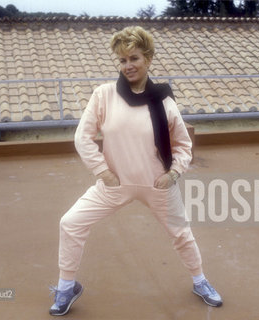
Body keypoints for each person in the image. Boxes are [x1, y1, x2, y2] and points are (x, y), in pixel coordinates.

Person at [49, 26, 222, 316]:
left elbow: (183, 144)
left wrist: (174, 174)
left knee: (181, 234)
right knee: (70, 223)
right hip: (114, 184)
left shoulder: (164, 100)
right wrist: (103, 172)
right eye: (122, 60)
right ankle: (66, 286)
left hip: (158, 185)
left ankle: (200, 281)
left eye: (134, 58)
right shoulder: (104, 95)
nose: (128, 65)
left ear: (148, 59)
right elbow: (83, 137)